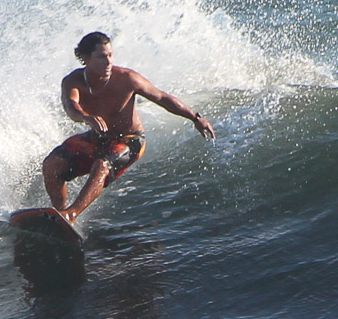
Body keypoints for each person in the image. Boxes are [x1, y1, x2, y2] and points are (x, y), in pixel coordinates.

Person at [43, 32, 215, 222]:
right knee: (52, 164)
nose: (108, 62)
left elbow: (162, 97)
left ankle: (72, 214)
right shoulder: (73, 81)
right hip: (97, 138)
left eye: (110, 55)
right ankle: (59, 214)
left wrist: (195, 117)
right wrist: (86, 117)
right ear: (85, 58)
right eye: (101, 56)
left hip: (130, 139)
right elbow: (71, 106)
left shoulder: (127, 78)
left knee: (103, 164)